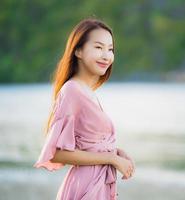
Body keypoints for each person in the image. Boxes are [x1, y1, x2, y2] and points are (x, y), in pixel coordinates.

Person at [33, 18, 135, 200]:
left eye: (110, 49)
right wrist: (111, 159)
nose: (106, 55)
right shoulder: (71, 90)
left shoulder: (88, 92)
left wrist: (115, 152)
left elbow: (88, 144)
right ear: (78, 50)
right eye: (98, 47)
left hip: (98, 185)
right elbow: (56, 153)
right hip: (85, 187)